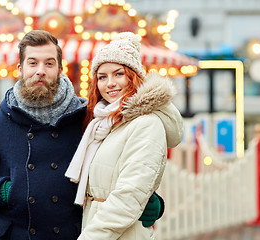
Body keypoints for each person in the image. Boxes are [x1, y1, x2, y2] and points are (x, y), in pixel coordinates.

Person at [0, 30, 163, 240]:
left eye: (49, 63)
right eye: (32, 63)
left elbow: (118, 167)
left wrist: (150, 199)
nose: (40, 71)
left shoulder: (89, 117)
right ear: (20, 68)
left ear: (59, 69)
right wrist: (5, 190)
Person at [65, 32, 184, 239]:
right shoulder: (104, 123)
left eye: (118, 74)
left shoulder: (146, 124)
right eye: (102, 77)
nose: (109, 83)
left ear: (134, 77)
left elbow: (128, 196)